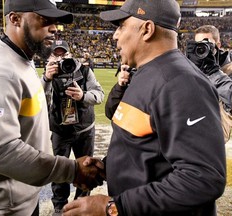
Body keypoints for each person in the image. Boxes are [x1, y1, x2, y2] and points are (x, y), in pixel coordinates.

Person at [63, 0, 226, 215]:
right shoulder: (144, 73)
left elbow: (202, 177)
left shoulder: (182, 83)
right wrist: (107, 168)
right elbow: (146, 148)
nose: (115, 36)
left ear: (147, 29)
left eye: (121, 26)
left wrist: (114, 208)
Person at [0, 0, 104, 215]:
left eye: (55, 22)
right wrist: (71, 170)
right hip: (3, 206)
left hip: (20, 191)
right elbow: (1, 152)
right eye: (45, 19)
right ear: (15, 19)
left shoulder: (20, 57)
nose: (54, 28)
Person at [42, 40, 104, 215]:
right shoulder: (47, 75)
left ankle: (81, 205)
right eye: (56, 54)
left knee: (87, 169)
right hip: (60, 131)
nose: (61, 58)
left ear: (70, 54)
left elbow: (99, 95)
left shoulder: (84, 71)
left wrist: (83, 95)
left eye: (64, 54)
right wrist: (47, 78)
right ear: (51, 56)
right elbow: (38, 100)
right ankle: (59, 207)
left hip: (84, 130)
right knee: (59, 170)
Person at [186, 25, 232, 142]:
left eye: (207, 44)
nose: (202, 49)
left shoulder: (229, 70)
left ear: (218, 45)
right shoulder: (190, 71)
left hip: (220, 143)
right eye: (198, 45)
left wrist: (213, 72)